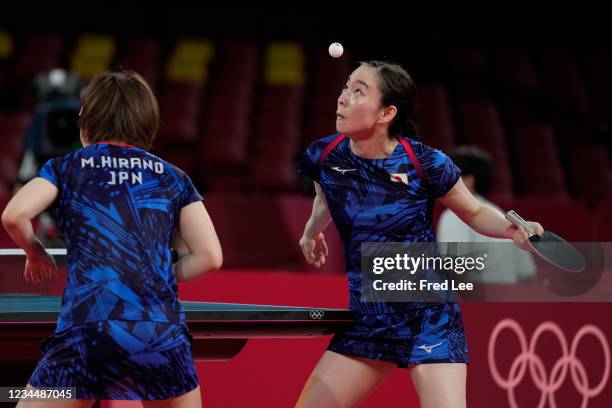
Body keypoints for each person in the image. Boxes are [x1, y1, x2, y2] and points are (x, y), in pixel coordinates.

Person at [295, 61, 543, 408]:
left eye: (358, 91)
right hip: (370, 318)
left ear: (387, 113)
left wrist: (511, 227)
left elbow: (472, 210)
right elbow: (325, 198)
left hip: (429, 316)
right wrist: (310, 232)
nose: (342, 99)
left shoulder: (425, 162)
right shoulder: (323, 156)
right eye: (345, 87)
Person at [1, 70, 222, 407]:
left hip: (87, 333)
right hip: (159, 336)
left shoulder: (66, 167)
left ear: (87, 120)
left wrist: (35, 252)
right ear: (147, 123)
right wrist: (154, 278)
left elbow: (14, 215)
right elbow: (210, 256)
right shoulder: (174, 177)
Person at [437, 145, 535, 284]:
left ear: (468, 180)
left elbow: (452, 268)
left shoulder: (455, 215)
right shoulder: (501, 215)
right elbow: (526, 272)